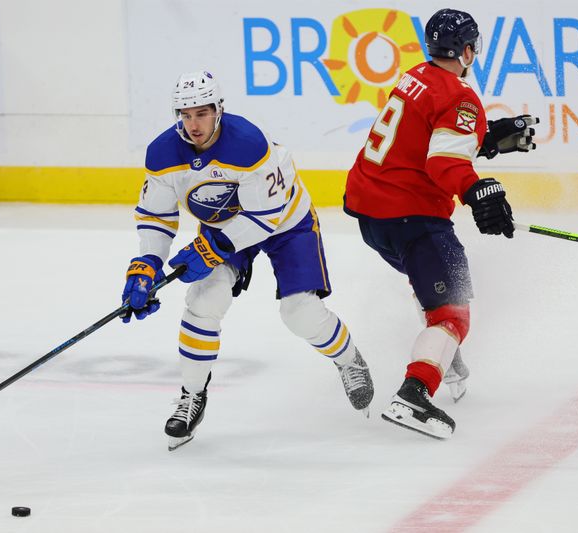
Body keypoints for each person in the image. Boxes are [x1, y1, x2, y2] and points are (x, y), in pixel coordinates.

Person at [122, 70, 374, 451]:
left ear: (219, 109)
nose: (193, 125)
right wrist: (146, 265)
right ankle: (192, 395)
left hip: (286, 223)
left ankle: (350, 359)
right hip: (226, 227)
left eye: (202, 114)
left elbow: (266, 215)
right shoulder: (162, 154)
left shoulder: (247, 143)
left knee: (299, 312)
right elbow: (156, 217)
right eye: (185, 115)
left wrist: (210, 249)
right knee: (204, 303)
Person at [343, 8, 537, 440]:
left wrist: (483, 139)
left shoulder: (416, 76)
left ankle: (441, 356)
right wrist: (477, 191)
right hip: (412, 218)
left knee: (429, 283)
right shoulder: (461, 97)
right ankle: (415, 391)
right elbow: (445, 160)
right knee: (453, 314)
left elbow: (425, 136)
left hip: (371, 216)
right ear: (467, 50)